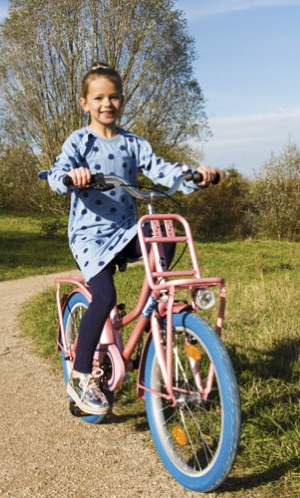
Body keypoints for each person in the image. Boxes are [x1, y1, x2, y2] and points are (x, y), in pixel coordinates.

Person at [47, 62, 218, 415]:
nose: (106, 104)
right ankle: (80, 376)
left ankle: (159, 302)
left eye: (113, 97)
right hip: (90, 236)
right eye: (98, 98)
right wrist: (71, 176)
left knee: (163, 229)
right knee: (105, 295)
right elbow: (58, 172)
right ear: (84, 103)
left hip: (126, 229)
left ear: (122, 101)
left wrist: (192, 176)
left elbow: (161, 169)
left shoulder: (133, 143)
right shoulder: (80, 141)